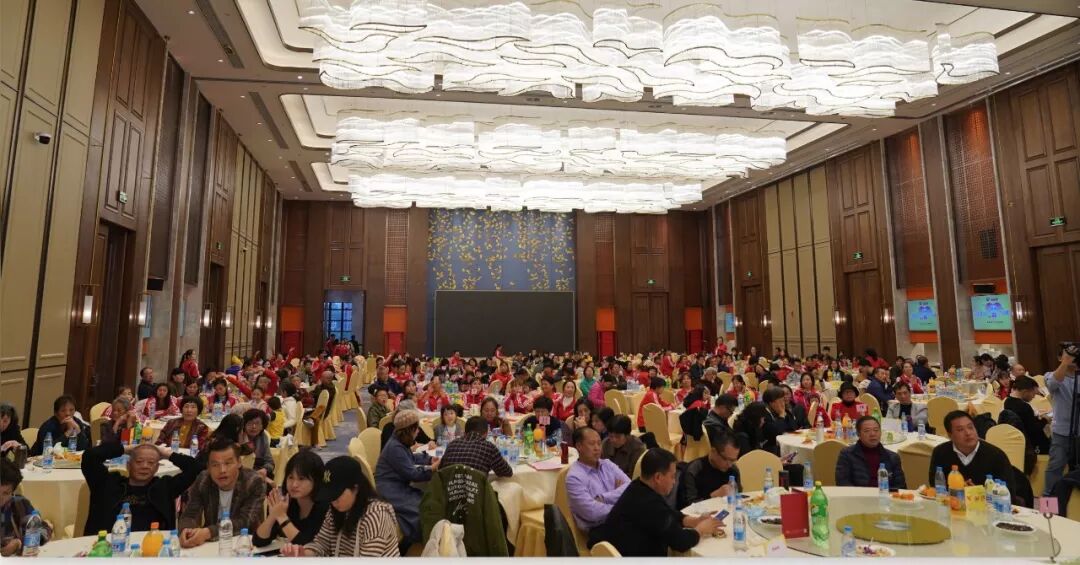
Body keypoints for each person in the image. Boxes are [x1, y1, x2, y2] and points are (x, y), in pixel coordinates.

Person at [589, 448, 722, 556]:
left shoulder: (638, 486)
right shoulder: (649, 503)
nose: (674, 481)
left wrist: (691, 520)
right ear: (658, 477)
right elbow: (681, 542)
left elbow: (666, 512)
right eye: (672, 476)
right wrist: (701, 529)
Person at [281, 456, 399, 557]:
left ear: (355, 488)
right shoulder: (335, 510)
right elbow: (321, 544)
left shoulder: (376, 515)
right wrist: (303, 554)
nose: (333, 502)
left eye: (337, 495)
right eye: (330, 496)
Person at [81, 441, 201, 534]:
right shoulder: (107, 484)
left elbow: (194, 467)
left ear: (157, 468)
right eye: (139, 461)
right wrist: (126, 449)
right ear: (128, 465)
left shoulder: (165, 487)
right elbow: (90, 457)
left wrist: (165, 453)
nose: (145, 466)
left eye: (151, 463)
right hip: (106, 546)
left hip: (153, 545)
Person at [178, 439, 267, 548]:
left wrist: (208, 532)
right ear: (208, 467)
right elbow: (190, 514)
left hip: (244, 544)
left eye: (228, 463)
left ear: (239, 462)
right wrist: (186, 530)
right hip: (211, 545)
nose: (222, 470)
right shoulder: (203, 480)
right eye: (215, 465)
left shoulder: (254, 482)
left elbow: (244, 522)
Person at [375, 409, 437, 550]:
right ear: (410, 430)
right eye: (416, 428)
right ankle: (411, 544)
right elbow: (413, 474)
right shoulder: (395, 447)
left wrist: (429, 459)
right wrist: (432, 468)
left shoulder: (398, 441)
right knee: (422, 509)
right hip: (390, 491)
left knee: (425, 499)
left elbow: (410, 457)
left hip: (396, 485)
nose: (418, 431)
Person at [928, 411, 1015, 495]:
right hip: (952, 502)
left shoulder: (996, 456)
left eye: (970, 427)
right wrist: (958, 490)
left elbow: (1008, 493)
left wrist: (978, 493)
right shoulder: (940, 452)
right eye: (960, 430)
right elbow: (935, 485)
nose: (968, 433)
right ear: (950, 435)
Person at [254, 450, 328, 548]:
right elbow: (258, 541)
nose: (294, 484)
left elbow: (308, 547)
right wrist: (272, 516)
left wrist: (282, 517)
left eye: (301, 479)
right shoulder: (287, 503)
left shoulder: (325, 507)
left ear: (316, 480)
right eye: (291, 477)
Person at [565, 426, 630, 533]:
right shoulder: (574, 477)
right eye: (592, 444)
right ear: (579, 446)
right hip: (599, 529)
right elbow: (592, 512)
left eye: (599, 443)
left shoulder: (607, 465)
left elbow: (630, 488)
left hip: (621, 520)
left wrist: (602, 498)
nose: (597, 448)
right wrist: (620, 502)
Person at [1043, 344, 1078, 496]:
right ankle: (1048, 505)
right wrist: (1066, 362)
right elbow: (1052, 384)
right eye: (1067, 354)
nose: (1072, 358)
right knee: (1054, 469)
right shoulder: (1050, 375)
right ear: (1059, 358)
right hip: (1061, 433)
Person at [835, 416, 907, 489]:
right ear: (858, 434)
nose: (872, 434)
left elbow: (900, 487)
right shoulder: (847, 454)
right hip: (857, 495)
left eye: (876, 430)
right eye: (867, 431)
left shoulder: (892, 457)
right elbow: (842, 483)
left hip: (886, 495)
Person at [0, 459, 52, 556]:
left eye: (5, 493)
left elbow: (45, 531)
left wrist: (19, 543)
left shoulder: (19, 505)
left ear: (12, 492)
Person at [678, 431, 742, 508]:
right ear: (713, 451)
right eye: (726, 459)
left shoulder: (733, 470)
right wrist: (713, 496)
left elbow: (739, 497)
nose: (729, 464)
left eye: (733, 460)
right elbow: (688, 506)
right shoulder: (694, 471)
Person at [439, 416, 513, 477]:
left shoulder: (452, 444)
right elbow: (507, 472)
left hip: (447, 489)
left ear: (465, 432)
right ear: (486, 433)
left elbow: (440, 469)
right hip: (476, 490)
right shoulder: (489, 447)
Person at [1004, 376, 1051, 454]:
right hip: (1031, 444)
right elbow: (1033, 428)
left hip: (1016, 441)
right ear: (1025, 392)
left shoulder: (1007, 401)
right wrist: (1045, 420)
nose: (1034, 397)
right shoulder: (1024, 406)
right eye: (1033, 393)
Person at [241, 408, 274, 478]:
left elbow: (270, 461)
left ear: (262, 426)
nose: (254, 427)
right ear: (244, 424)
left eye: (257, 423)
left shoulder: (263, 437)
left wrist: (265, 469)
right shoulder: (239, 437)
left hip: (259, 473)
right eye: (250, 423)